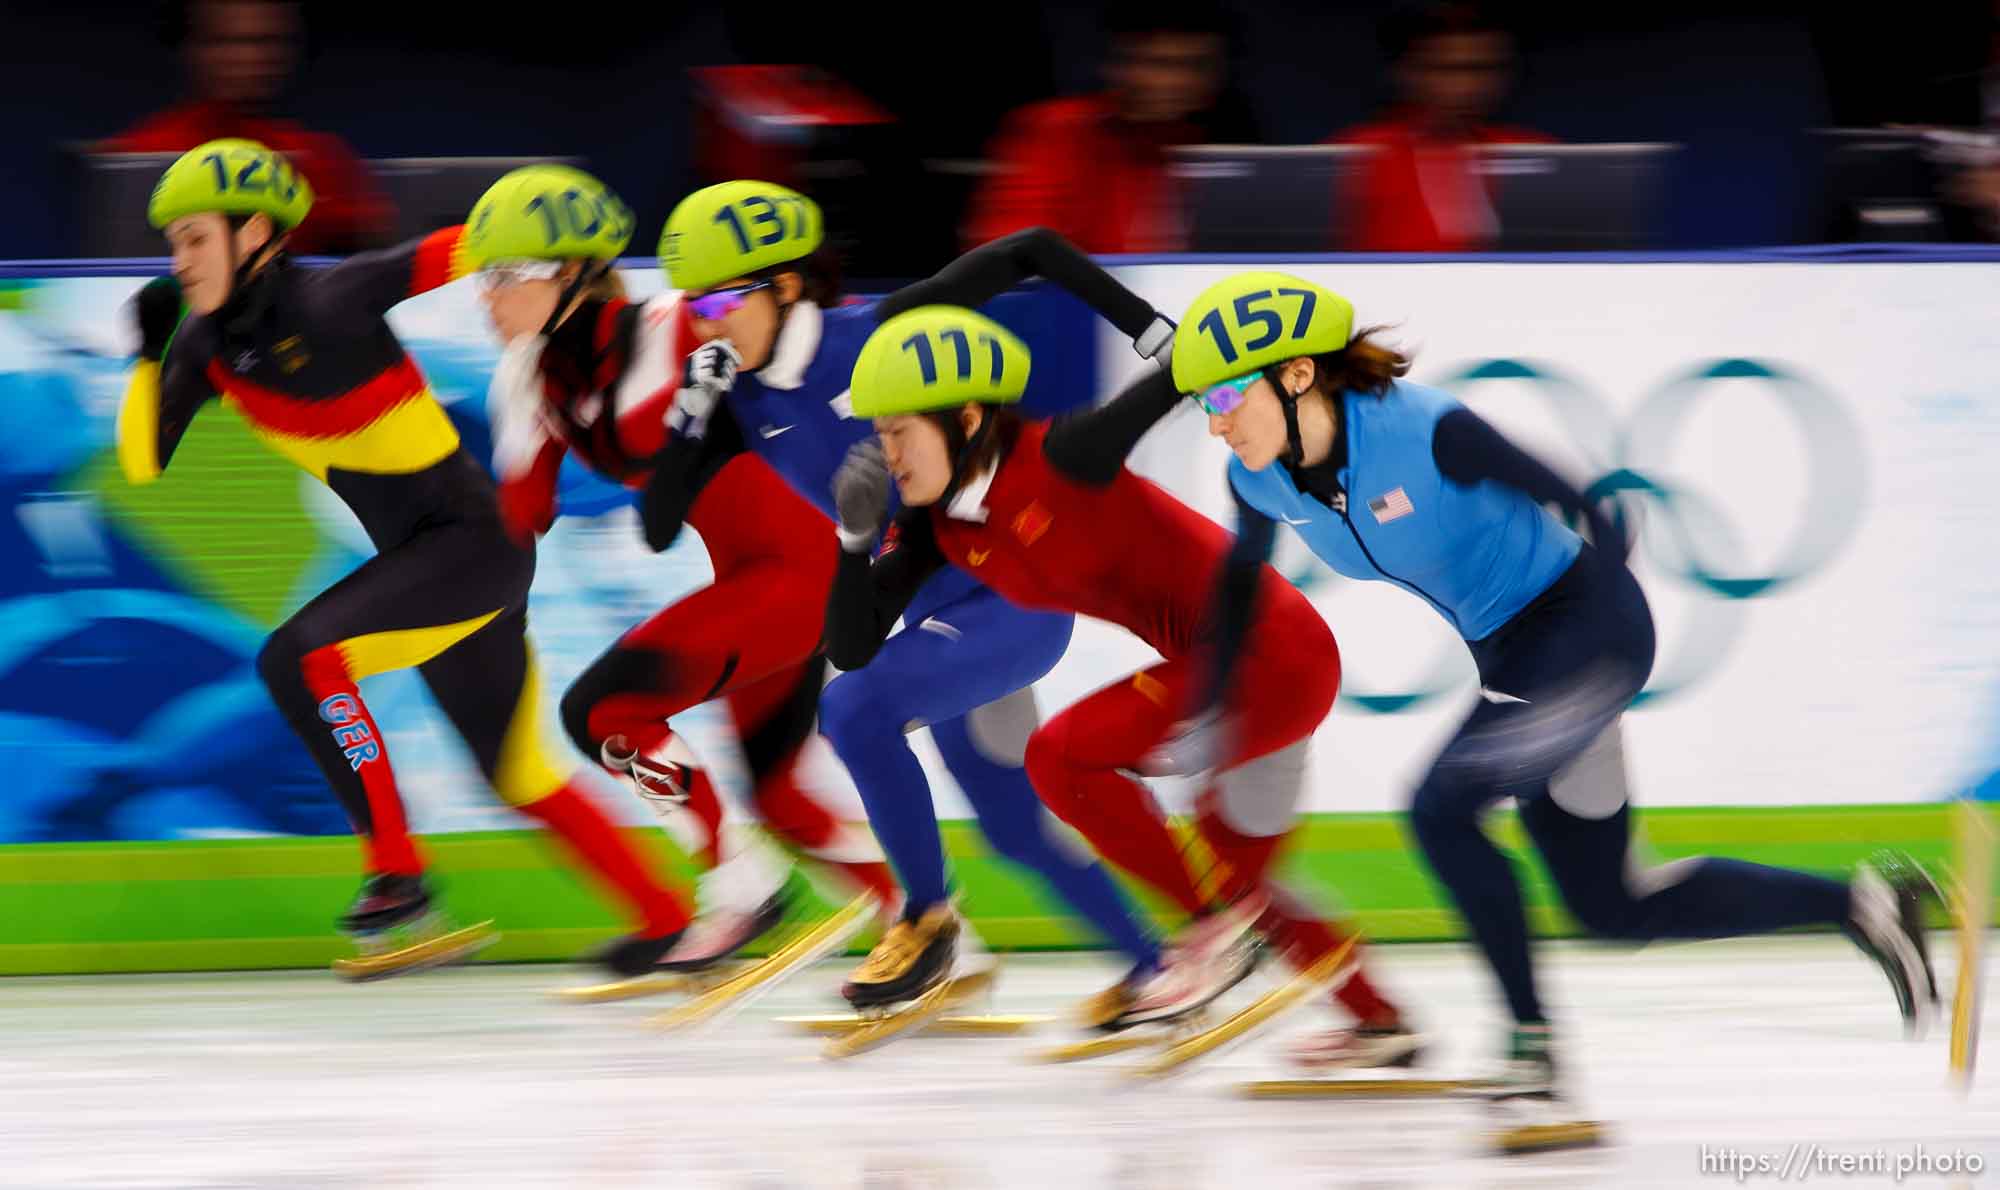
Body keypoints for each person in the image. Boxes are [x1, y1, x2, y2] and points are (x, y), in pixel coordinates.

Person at [1169, 269, 1940, 1094]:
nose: (1214, 425)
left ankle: (1530, 1042)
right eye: (1200, 406)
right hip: (1514, 666)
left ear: (1296, 375)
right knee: (1610, 906)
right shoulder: (1256, 479)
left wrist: (1601, 621)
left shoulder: (1428, 430)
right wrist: (1206, 710)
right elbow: (1237, 594)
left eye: (1223, 399)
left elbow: (1588, 505)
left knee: (1440, 807)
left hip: (1586, 634)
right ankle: (1864, 904)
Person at [117, 139, 690, 976]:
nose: (179, 259)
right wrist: (147, 356)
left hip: (472, 546)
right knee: (518, 773)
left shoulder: (335, 297)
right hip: (435, 565)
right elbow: (141, 461)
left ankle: (399, 873)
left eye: (195, 237)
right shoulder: (206, 346)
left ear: (256, 233)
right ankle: (668, 918)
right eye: (172, 242)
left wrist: (575, 227)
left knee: (301, 660)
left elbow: (478, 241)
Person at [823, 303, 1416, 1052]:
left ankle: (1211, 938)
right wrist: (853, 538)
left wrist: (1194, 333)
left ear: (967, 419)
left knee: (1064, 757)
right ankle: (1377, 1020)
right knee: (1229, 872)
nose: (887, 453)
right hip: (1224, 667)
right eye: (878, 435)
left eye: (899, 431)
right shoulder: (938, 527)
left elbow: (1183, 367)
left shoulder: (1065, 454)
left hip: (1268, 652)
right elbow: (852, 647)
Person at [654, 183, 1178, 1025]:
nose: (704, 323)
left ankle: (925, 924)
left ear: (785, 287)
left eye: (718, 300)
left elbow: (1033, 247)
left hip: (1012, 596)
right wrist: (691, 412)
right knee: (1012, 826)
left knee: (855, 708)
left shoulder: (884, 333)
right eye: (691, 306)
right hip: (937, 616)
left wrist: (1148, 329)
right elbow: (655, 522)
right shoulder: (739, 401)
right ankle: (1160, 969)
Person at [468, 165, 898, 973]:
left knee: (604, 710)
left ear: (569, 274)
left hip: (807, 576)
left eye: (503, 277)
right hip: (758, 586)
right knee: (777, 798)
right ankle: (932, 927)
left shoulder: (677, 322)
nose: (484, 297)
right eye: (479, 279)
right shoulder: (525, 379)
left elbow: (810, 338)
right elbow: (519, 519)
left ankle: (742, 893)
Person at [106, 0, 392, 253]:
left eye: (265, 41)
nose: (249, 58)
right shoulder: (138, 155)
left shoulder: (323, 161)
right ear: (191, 49)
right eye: (226, 42)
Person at [961, 1, 1242, 254]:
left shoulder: (1222, 148)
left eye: (1194, 66)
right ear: (1118, 65)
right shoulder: (1055, 131)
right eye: (1158, 63)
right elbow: (1007, 255)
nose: (1173, 82)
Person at [1326, 1, 1551, 252]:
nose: (1466, 87)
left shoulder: (1533, 154)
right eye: (1446, 70)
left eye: (1481, 69)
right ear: (1408, 73)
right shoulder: (1358, 155)